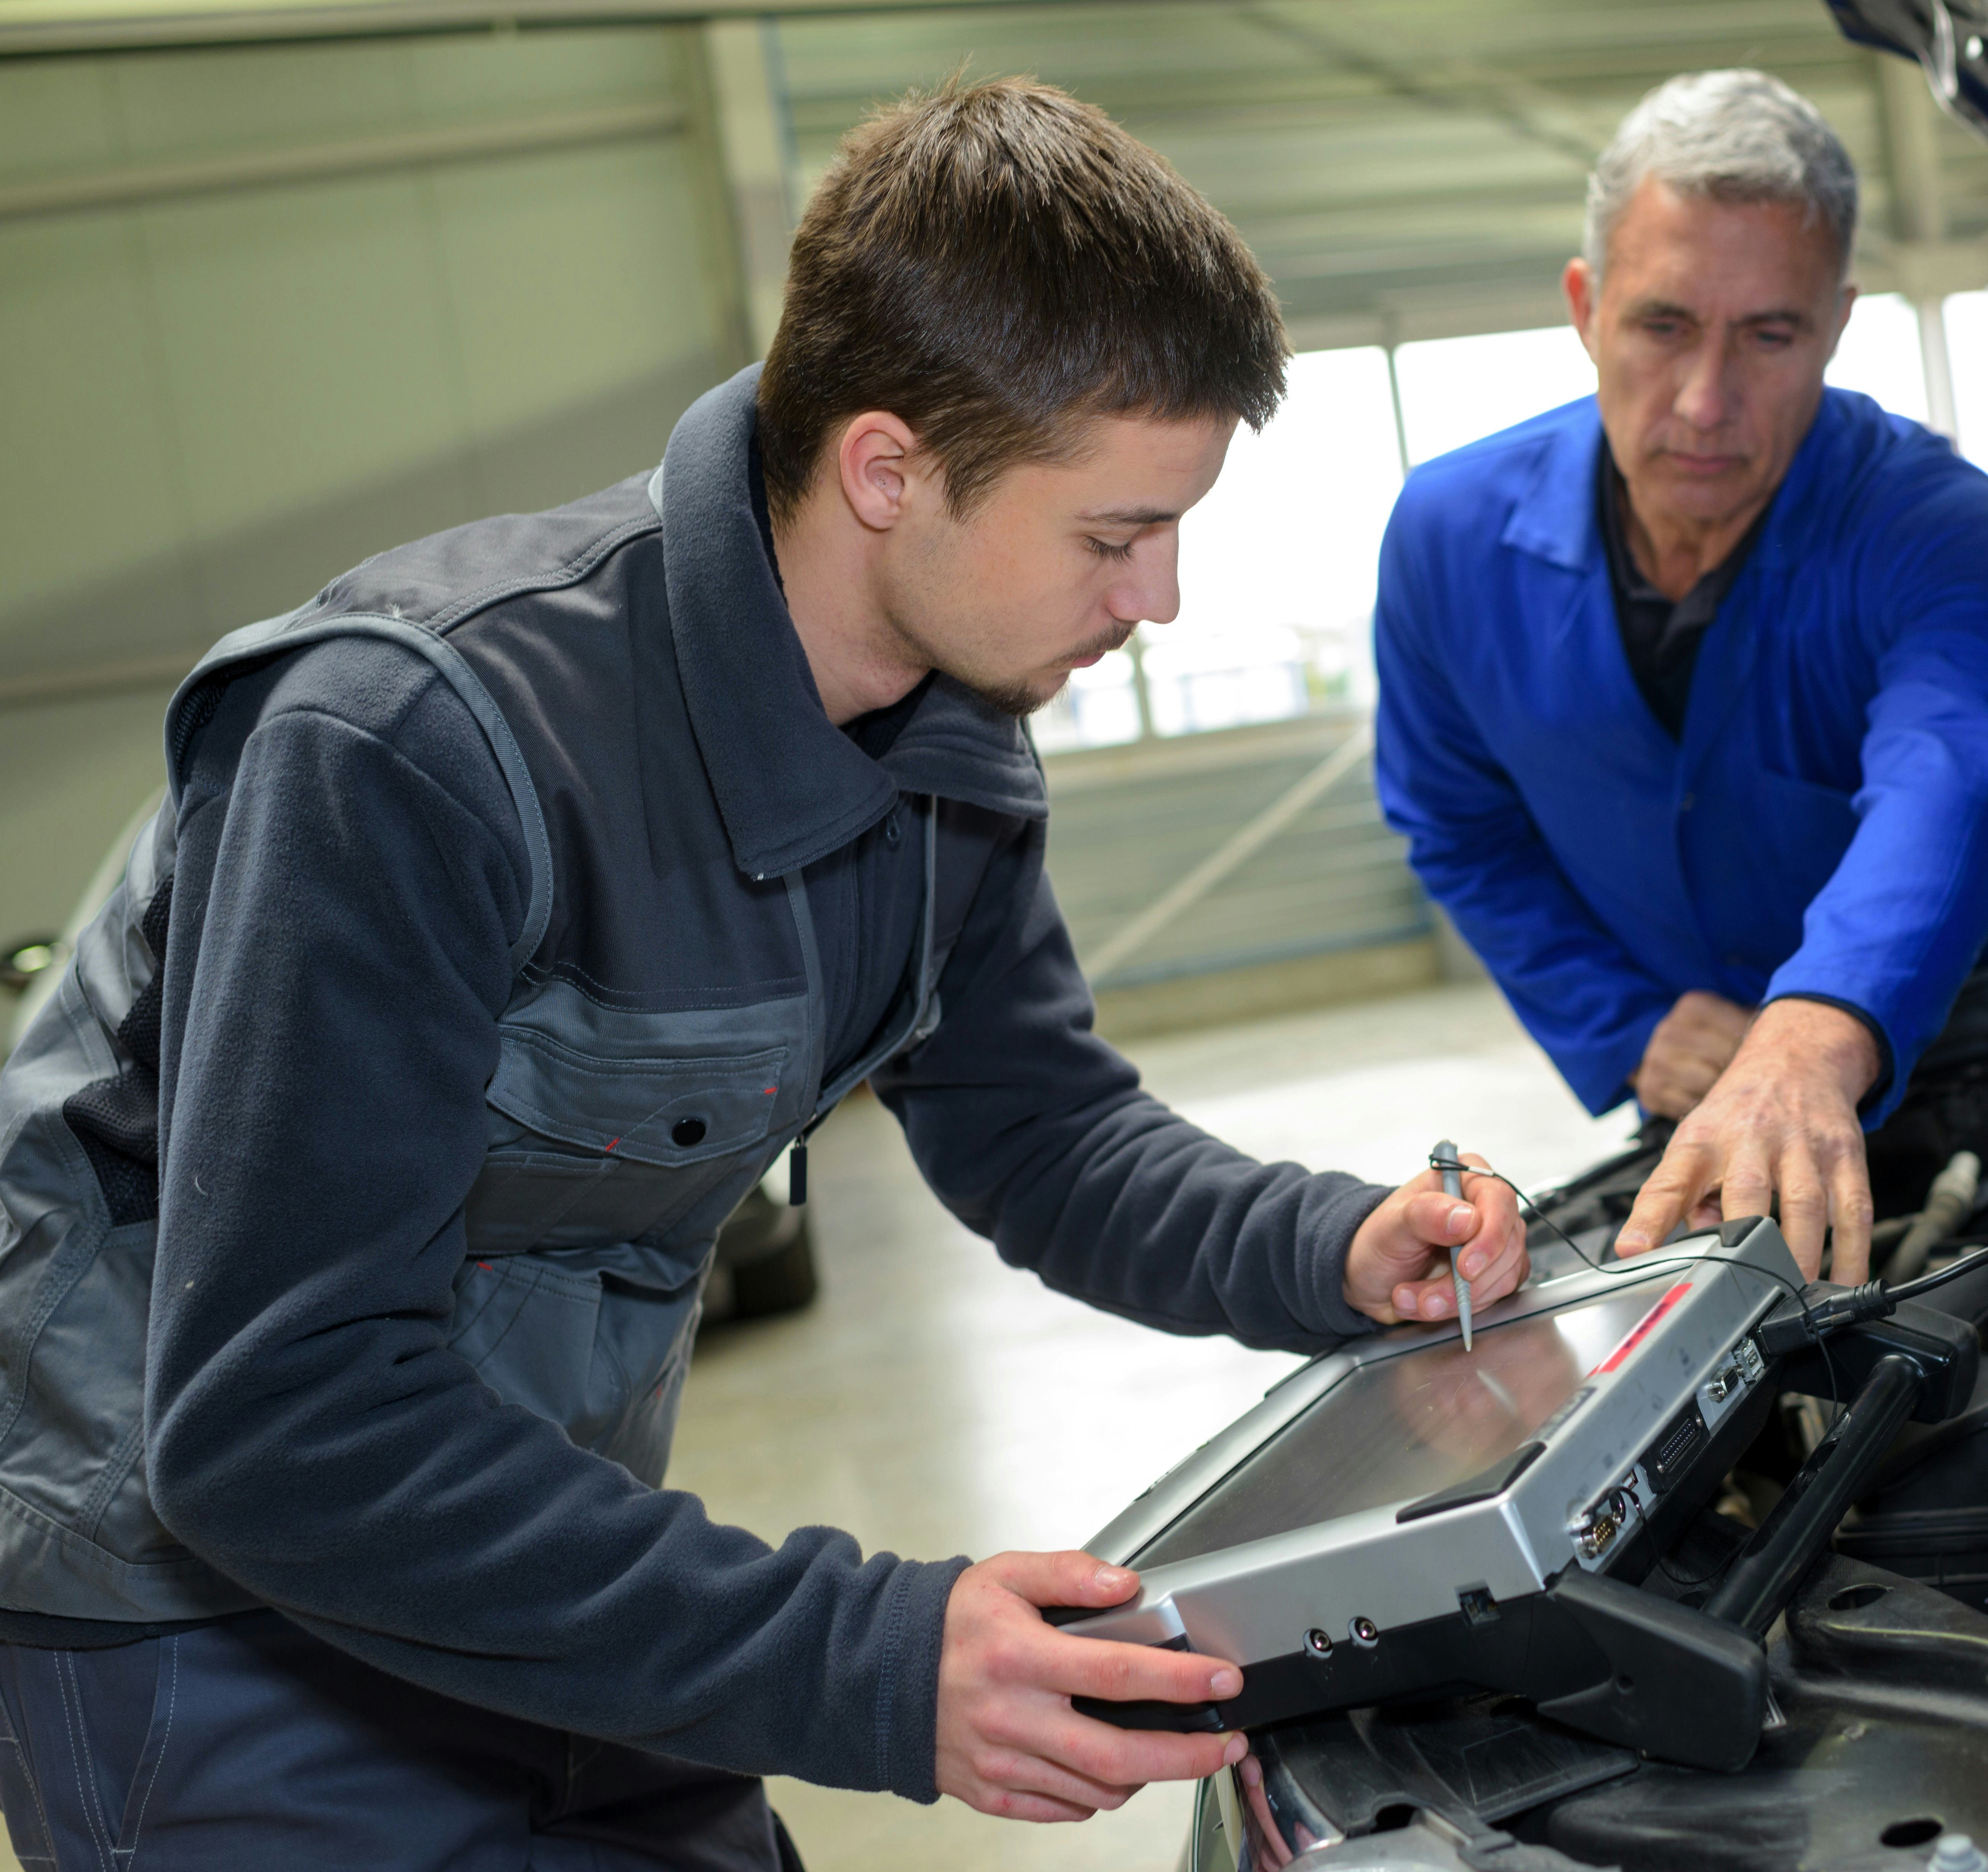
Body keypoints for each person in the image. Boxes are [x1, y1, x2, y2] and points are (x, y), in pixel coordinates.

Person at [0, 79, 1530, 1866]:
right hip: (197, 1615)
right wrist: (869, 1657)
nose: (1162, 600)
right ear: (889, 470)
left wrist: (1328, 1246)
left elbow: (1037, 1129)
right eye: (1115, 534)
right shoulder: (411, 743)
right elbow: (277, 1416)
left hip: (539, 1547)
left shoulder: (949, 751)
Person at [1374, 70, 1988, 1287]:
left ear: (1839, 325)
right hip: (1697, 1097)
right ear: (1586, 308)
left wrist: (1815, 1028)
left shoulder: (1938, 529)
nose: (1706, 401)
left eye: (1769, 335)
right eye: (1662, 325)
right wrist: (1624, 1023)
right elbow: (1462, 828)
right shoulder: (1448, 538)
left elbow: (1959, 775)